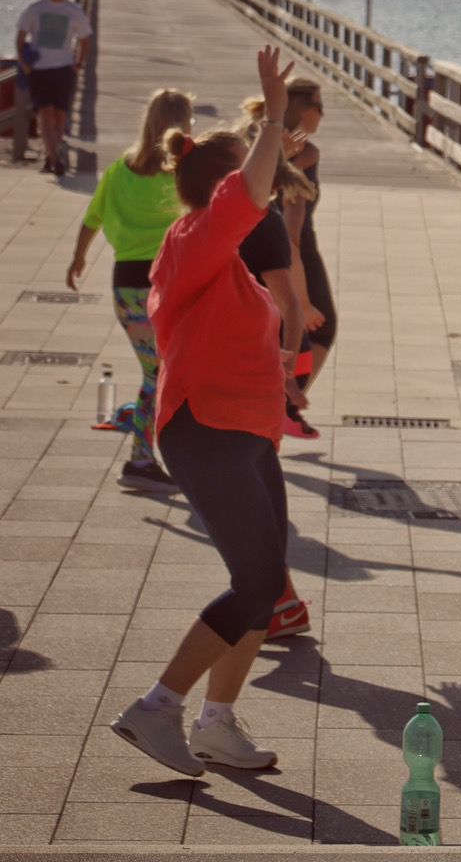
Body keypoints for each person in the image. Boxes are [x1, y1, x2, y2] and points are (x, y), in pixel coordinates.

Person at [109, 46, 306, 776]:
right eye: (246, 169)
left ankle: (217, 723)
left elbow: (231, 331)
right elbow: (245, 194)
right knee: (254, 582)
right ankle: (158, 707)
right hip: (209, 431)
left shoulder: (218, 257)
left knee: (266, 579)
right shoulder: (195, 238)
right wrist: (274, 114)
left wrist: (281, 375)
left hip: (246, 431)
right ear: (222, 187)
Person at [65, 87, 193, 486]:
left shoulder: (121, 169)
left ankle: (155, 455)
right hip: (166, 286)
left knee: (158, 372)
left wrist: (79, 258)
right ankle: (141, 460)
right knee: (163, 374)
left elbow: (92, 219)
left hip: (126, 286)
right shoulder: (184, 170)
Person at [233, 119, 316, 637]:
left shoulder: (257, 224)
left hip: (245, 374)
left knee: (251, 494)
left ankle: (275, 600)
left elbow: (285, 297)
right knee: (249, 496)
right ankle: (278, 599)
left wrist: (286, 363)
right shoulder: (228, 220)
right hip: (229, 370)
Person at [246, 78, 335, 437]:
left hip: (258, 249)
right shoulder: (305, 155)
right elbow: (293, 236)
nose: (323, 113)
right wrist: (303, 298)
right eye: (318, 105)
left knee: (274, 333)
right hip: (291, 255)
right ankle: (283, 407)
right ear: (301, 109)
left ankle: (279, 407)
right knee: (320, 328)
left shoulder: (265, 146)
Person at [15, 0, 93, 177]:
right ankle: (56, 159)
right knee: (45, 114)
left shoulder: (73, 10)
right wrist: (24, 63)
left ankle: (51, 157)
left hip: (64, 69)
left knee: (60, 117)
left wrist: (79, 63)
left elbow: (86, 39)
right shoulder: (36, 9)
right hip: (40, 69)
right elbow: (21, 37)